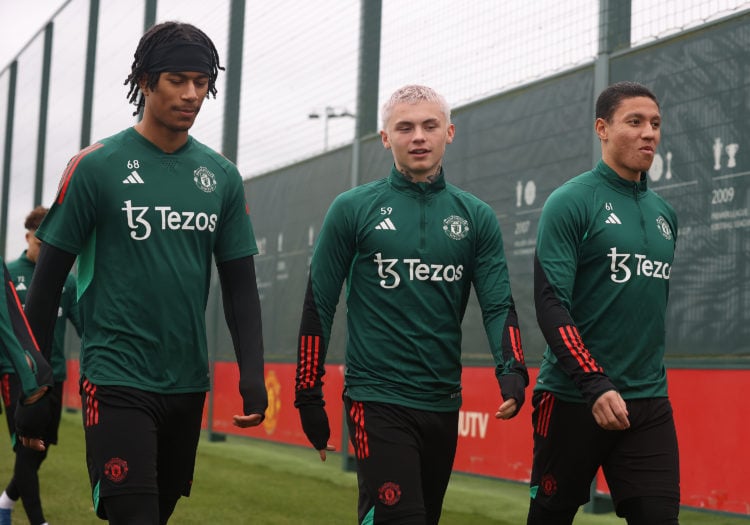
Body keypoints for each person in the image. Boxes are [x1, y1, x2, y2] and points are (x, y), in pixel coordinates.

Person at [22, 21, 268, 524]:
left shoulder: (220, 176)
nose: (192, 94)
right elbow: (45, 286)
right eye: (178, 79)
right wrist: (32, 377)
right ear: (144, 80)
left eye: (202, 82)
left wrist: (251, 374)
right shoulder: (95, 166)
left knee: (156, 513)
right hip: (115, 376)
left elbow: (240, 287)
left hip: (185, 382)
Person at [295, 84, 528, 525]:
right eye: (405, 127)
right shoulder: (352, 209)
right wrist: (307, 392)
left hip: (442, 401)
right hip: (374, 397)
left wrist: (512, 368)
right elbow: (319, 304)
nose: (418, 136)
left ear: (449, 133)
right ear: (386, 138)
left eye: (429, 126)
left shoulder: (475, 216)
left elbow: (498, 303)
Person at [527, 81, 679, 524]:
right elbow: (551, 302)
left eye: (655, 124)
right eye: (634, 122)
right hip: (574, 395)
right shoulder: (571, 201)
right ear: (602, 129)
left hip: (647, 400)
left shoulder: (665, 214)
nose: (648, 133)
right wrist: (594, 382)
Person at [0, 206, 83, 525]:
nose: (44, 250)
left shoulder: (67, 279)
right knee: (25, 448)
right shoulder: (9, 272)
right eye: (39, 244)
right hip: (15, 374)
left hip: (55, 374)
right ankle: (38, 521)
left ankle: (6, 501)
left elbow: (83, 324)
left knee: (41, 448)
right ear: (28, 238)